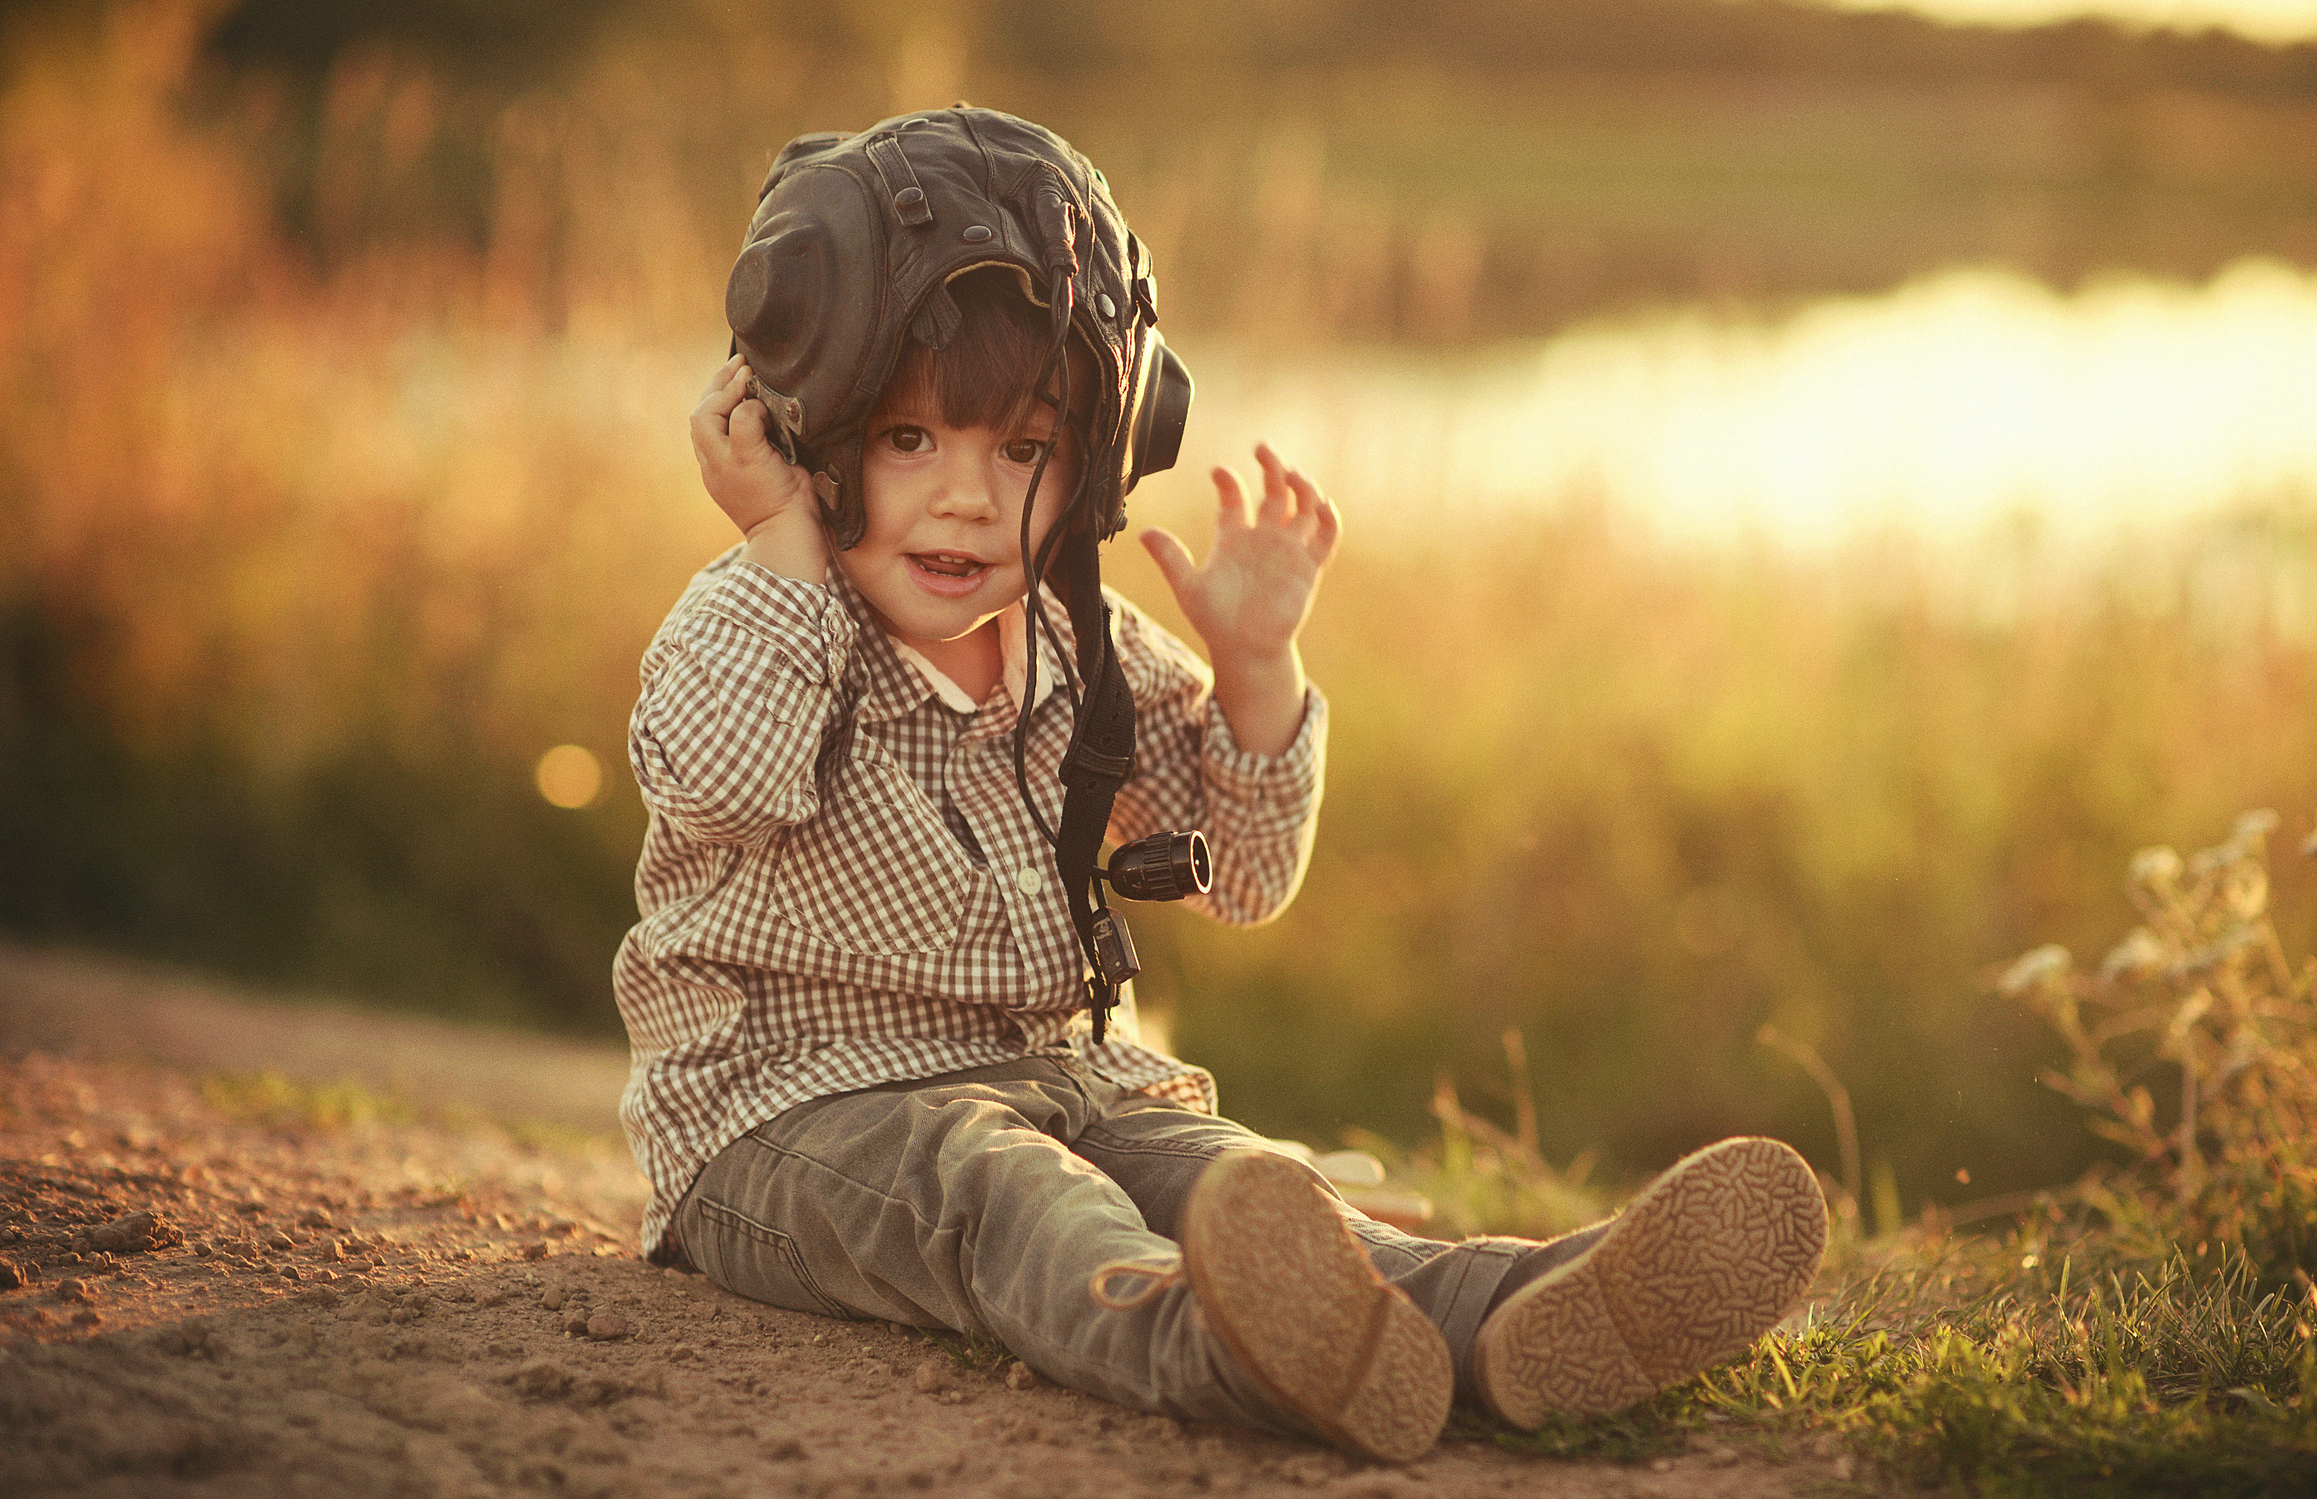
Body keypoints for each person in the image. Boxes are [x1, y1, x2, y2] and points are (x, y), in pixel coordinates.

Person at [611, 108, 1827, 1463]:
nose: (965, 497)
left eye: (1020, 452)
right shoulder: (752, 617)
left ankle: (1511, 1316)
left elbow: (1241, 874)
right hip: (793, 1119)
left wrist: (1255, 665)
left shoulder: (1088, 648)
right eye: (909, 441)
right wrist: (780, 542)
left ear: (1099, 463)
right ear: (803, 430)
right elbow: (722, 785)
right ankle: (1219, 1341)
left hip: (1075, 1077)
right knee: (1008, 1198)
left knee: (1250, 1182)